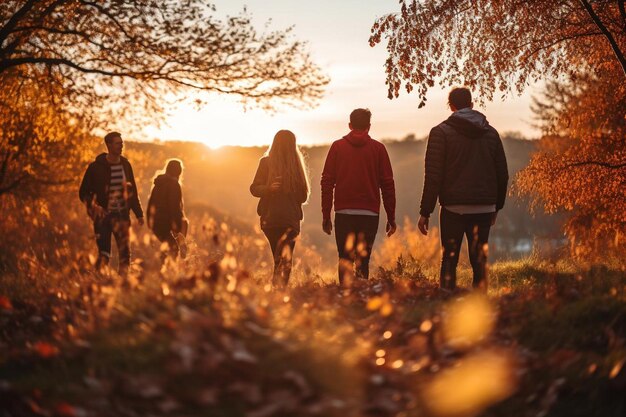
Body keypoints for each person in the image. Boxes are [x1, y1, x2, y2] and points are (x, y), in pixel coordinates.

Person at [418, 87, 509, 291]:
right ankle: (480, 307)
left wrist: (425, 211)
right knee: (479, 261)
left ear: (451, 106)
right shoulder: (491, 133)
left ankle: (446, 302)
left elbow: (433, 176)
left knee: (449, 259)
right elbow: (502, 174)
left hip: (453, 208)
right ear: (472, 103)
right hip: (484, 208)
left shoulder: (440, 132)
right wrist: (496, 206)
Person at [321, 108, 396, 286]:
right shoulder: (378, 149)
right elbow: (388, 185)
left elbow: (327, 182)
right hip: (369, 213)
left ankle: (345, 297)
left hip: (343, 212)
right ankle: (361, 296)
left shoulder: (337, 147)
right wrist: (391, 216)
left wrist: (326, 215)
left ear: (349, 125)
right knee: (363, 259)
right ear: (369, 126)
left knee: (344, 258)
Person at [79, 131, 144, 277]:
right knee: (104, 253)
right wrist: (94, 207)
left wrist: (139, 213)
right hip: (103, 218)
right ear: (108, 145)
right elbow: (83, 192)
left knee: (125, 254)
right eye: (117, 143)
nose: (121, 146)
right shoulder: (95, 167)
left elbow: (132, 190)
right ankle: (98, 283)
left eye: (122, 143)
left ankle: (122, 284)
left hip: (122, 216)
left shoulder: (125, 165)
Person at [250, 130, 310, 288]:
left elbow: (254, 189)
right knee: (285, 260)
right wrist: (275, 189)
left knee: (278, 259)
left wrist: (268, 189)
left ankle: (276, 293)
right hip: (290, 220)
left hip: (270, 219)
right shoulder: (296, 164)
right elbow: (303, 197)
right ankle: (279, 292)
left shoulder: (265, 162)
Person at [147, 159, 188, 259]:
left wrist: (149, 220)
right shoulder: (174, 185)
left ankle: (164, 268)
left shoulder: (158, 183)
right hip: (166, 223)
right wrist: (178, 229)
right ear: (179, 172)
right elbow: (174, 208)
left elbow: (151, 203)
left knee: (169, 247)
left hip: (156, 223)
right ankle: (165, 270)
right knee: (173, 249)